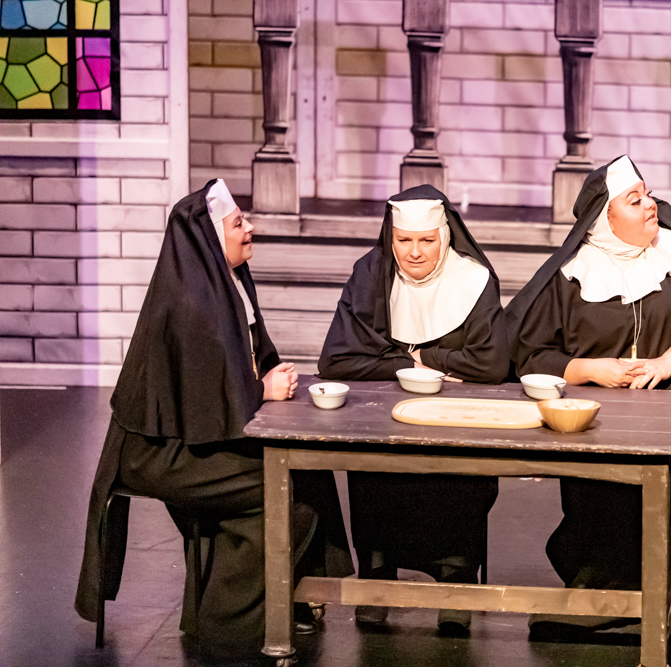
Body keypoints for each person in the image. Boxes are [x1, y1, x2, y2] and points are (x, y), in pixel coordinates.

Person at [74, 180, 353, 662]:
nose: (251, 228)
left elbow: (229, 376)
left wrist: (263, 378)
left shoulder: (227, 285)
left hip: (195, 439)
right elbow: (204, 398)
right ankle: (229, 629)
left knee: (309, 470)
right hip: (161, 453)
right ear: (210, 237)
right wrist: (261, 390)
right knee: (288, 490)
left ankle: (294, 600)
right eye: (238, 223)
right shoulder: (191, 303)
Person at [505, 156, 671, 632]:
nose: (650, 205)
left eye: (648, 194)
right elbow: (531, 353)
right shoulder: (572, 274)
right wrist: (592, 369)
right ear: (606, 217)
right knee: (612, 476)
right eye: (634, 200)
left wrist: (667, 362)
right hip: (603, 402)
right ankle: (610, 590)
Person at [318, 184, 507, 631]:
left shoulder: (473, 278)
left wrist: (426, 356)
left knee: (455, 485)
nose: (415, 253)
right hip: (385, 415)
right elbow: (336, 360)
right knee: (377, 476)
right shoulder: (371, 273)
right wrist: (408, 364)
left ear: (445, 236)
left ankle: (456, 582)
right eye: (404, 240)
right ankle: (377, 578)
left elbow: (492, 363)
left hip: (457, 420)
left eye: (426, 240)